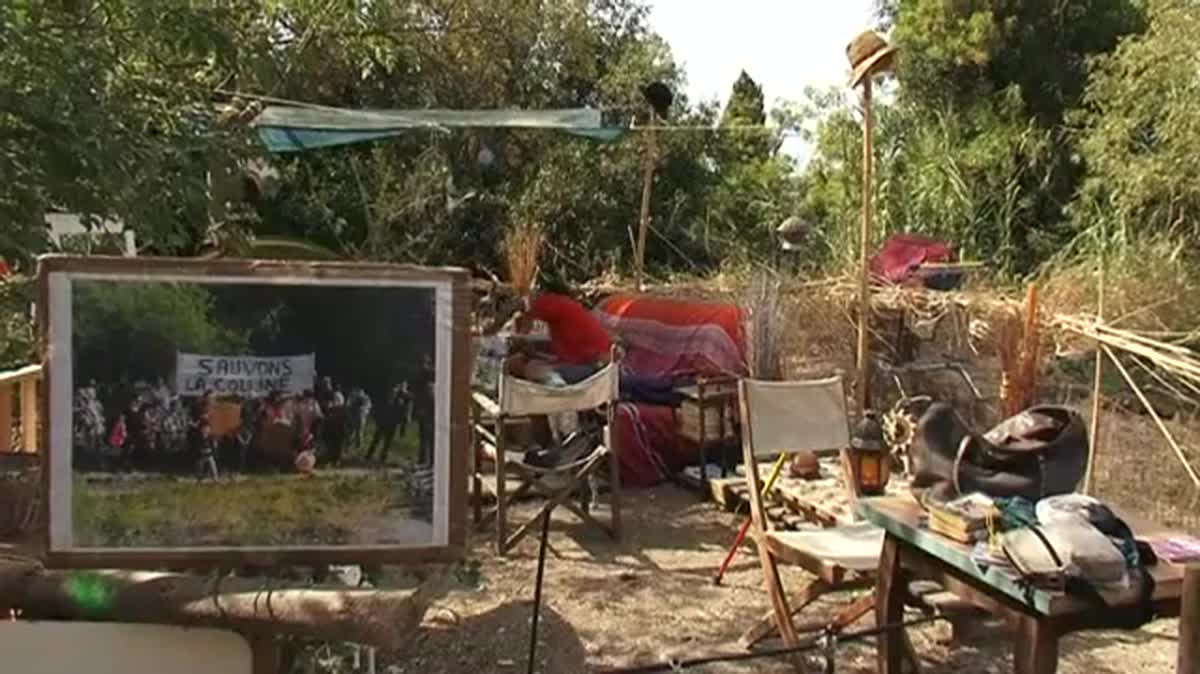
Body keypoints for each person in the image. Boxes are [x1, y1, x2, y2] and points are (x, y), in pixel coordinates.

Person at [364, 383, 411, 465]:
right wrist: (377, 420)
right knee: (376, 439)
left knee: (387, 442)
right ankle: (369, 455)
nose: (393, 393)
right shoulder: (384, 400)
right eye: (392, 392)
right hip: (382, 423)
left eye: (394, 392)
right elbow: (377, 411)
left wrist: (399, 423)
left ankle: (382, 457)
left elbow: (401, 413)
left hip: (392, 424)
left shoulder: (399, 402)